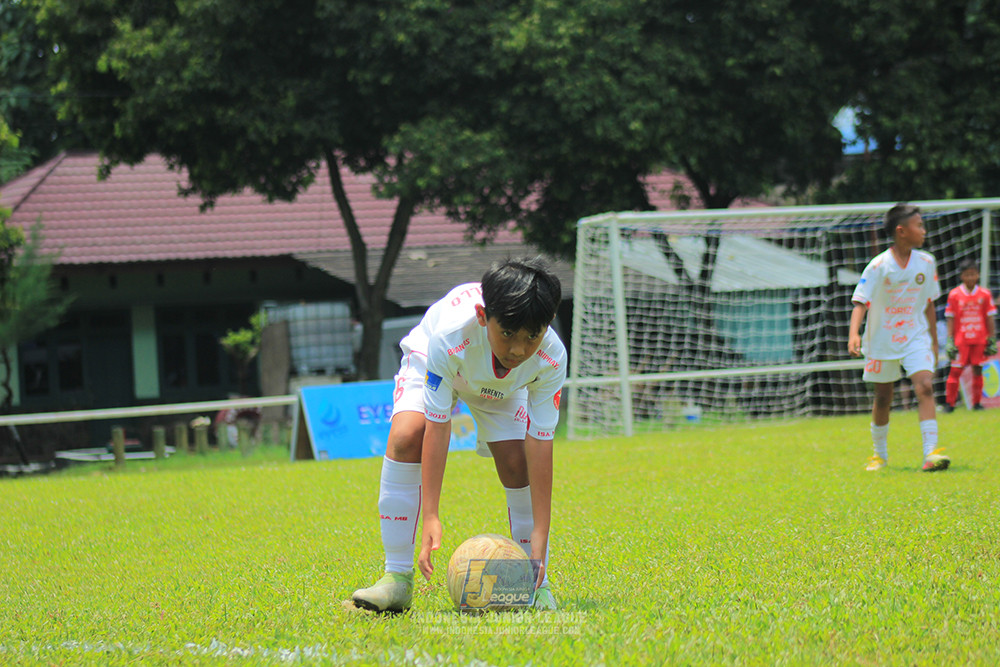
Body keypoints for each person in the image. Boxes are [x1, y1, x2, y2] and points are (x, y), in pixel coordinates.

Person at [350, 257, 566, 613]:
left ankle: (535, 584)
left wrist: (541, 529)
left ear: (547, 325)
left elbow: (540, 443)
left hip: (506, 386)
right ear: (483, 316)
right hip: (438, 363)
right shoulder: (450, 336)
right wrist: (431, 515)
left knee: (517, 463)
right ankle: (397, 579)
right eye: (508, 333)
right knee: (407, 435)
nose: (518, 349)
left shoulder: (551, 357)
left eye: (532, 336)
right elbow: (438, 425)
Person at [848, 203, 950, 472]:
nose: (924, 230)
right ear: (901, 231)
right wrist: (853, 334)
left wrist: (934, 340)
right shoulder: (879, 265)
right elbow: (860, 302)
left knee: (925, 386)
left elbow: (928, 302)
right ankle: (879, 455)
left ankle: (932, 453)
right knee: (883, 397)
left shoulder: (927, 262)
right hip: (882, 340)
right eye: (919, 225)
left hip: (915, 336)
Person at [942, 260, 998, 412]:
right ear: (961, 276)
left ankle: (977, 403)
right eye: (967, 275)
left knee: (978, 370)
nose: (970, 278)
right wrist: (950, 339)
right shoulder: (954, 295)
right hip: (962, 340)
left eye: (973, 274)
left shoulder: (984, 294)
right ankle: (950, 404)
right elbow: (951, 318)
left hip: (979, 339)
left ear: (978, 275)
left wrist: (991, 339)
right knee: (955, 370)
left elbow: (990, 318)